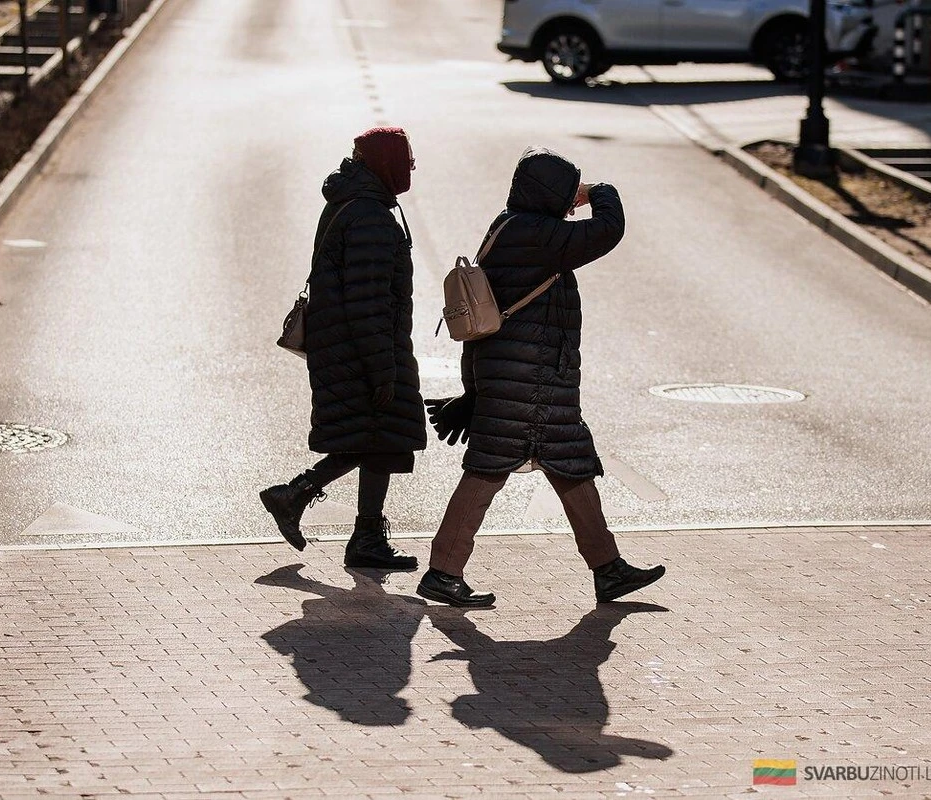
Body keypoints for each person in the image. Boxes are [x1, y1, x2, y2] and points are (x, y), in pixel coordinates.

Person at [418, 147, 665, 607]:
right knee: (487, 472)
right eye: (567, 193)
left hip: (528, 381)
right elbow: (609, 229)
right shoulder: (537, 234)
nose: (573, 204)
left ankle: (608, 569)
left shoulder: (511, 225)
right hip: (529, 386)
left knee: (572, 467)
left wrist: (475, 389)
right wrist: (598, 191)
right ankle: (443, 572)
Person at [261, 127, 426, 570]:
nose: (411, 167)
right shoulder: (370, 216)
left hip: (353, 346)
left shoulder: (359, 202)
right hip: (361, 350)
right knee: (376, 433)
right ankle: (297, 498)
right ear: (386, 163)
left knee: (381, 438)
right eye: (405, 159)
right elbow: (368, 301)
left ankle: (359, 534)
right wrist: (383, 370)